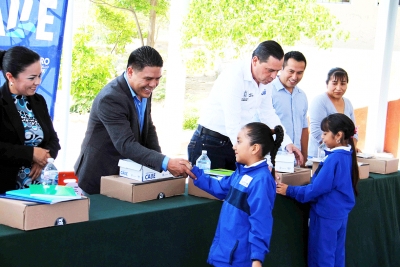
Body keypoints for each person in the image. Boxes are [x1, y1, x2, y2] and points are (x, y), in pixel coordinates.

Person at [74, 46, 193, 195]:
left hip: (129, 176)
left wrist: (161, 167)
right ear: (130, 72)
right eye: (148, 79)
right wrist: (166, 163)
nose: (153, 85)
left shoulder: (143, 89)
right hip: (100, 176)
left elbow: (148, 129)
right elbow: (125, 144)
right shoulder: (111, 98)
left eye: (157, 79)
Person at [188, 40, 303, 170]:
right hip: (210, 143)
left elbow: (268, 113)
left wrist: (286, 143)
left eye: (277, 71)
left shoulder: (266, 81)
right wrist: (252, 160)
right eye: (270, 70)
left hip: (238, 143)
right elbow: (233, 123)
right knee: (209, 190)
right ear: (255, 61)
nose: (273, 76)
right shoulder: (234, 77)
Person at [184, 122, 284, 267]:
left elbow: (261, 221)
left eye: (239, 141)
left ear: (254, 148)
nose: (234, 146)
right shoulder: (240, 172)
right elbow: (219, 187)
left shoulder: (261, 180)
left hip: (238, 259)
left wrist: (256, 260)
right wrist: (194, 172)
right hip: (224, 253)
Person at [277, 113, 360, 267]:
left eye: (325, 133)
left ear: (338, 135)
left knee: (322, 256)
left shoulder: (334, 159)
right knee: (336, 254)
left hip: (326, 215)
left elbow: (316, 189)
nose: (322, 138)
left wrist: (289, 190)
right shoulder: (347, 156)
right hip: (338, 214)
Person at [0, 46, 60, 194]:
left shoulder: (38, 101)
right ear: (10, 77)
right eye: (32, 78)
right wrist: (31, 154)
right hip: (6, 187)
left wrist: (42, 160)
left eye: (40, 75)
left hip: (38, 188)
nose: (38, 82)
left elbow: (53, 140)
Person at [308, 67, 359, 159]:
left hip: (342, 155)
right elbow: (316, 131)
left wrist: (351, 146)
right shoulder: (320, 101)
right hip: (320, 156)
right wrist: (340, 148)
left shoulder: (348, 102)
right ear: (327, 83)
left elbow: (353, 130)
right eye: (334, 83)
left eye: (343, 84)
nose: (339, 88)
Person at [271, 51, 308, 165]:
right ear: (281, 68)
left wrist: (304, 158)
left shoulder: (302, 95)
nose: (294, 77)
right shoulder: (268, 91)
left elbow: (304, 128)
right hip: (273, 160)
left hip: (295, 161)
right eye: (291, 71)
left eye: (299, 73)